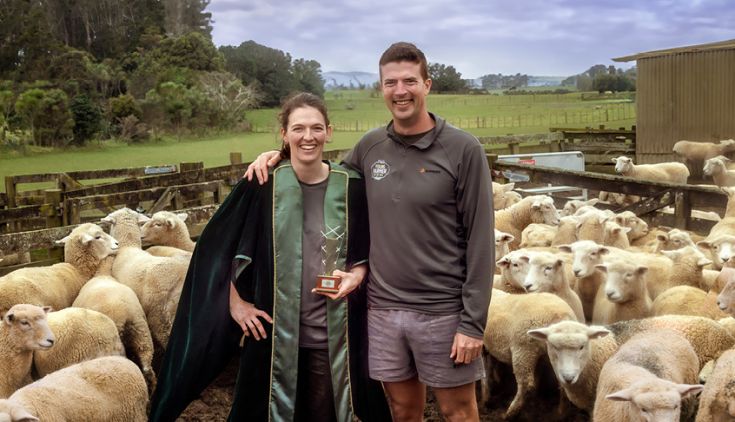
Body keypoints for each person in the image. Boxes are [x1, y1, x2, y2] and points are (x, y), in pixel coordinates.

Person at [246, 42, 494, 421]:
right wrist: (278, 154)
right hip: (383, 310)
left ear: (427, 84)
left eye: (409, 81)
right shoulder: (370, 147)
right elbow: (325, 175)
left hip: (442, 310)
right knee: (401, 409)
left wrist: (472, 323)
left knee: (458, 411)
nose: (400, 91)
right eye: (390, 82)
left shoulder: (463, 149)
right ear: (380, 89)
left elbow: (481, 239)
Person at [149, 92, 391, 422]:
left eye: (317, 128)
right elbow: (215, 249)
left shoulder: (351, 187)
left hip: (334, 337)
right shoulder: (262, 184)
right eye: (299, 128)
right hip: (273, 335)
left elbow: (364, 254)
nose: (308, 137)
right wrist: (235, 303)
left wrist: (356, 277)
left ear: (329, 132)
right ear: (284, 134)